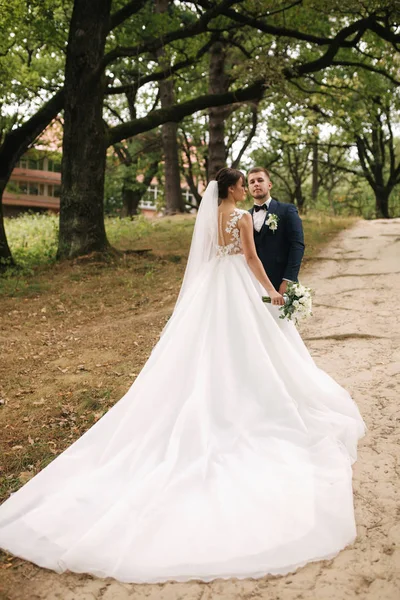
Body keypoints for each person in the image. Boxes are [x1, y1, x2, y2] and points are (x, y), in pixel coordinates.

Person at [0, 168, 365, 584]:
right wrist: (273, 290)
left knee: (202, 347)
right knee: (248, 347)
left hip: (209, 288)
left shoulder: (208, 216)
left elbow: (207, 257)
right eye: (243, 183)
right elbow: (249, 258)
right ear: (232, 188)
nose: (247, 188)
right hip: (237, 286)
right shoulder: (242, 216)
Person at [248, 167, 305, 295]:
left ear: (269, 185)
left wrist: (288, 280)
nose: (256, 184)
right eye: (252, 182)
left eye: (260, 180)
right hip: (252, 284)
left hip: (280, 281)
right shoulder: (245, 216)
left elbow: (297, 245)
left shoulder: (287, 210)